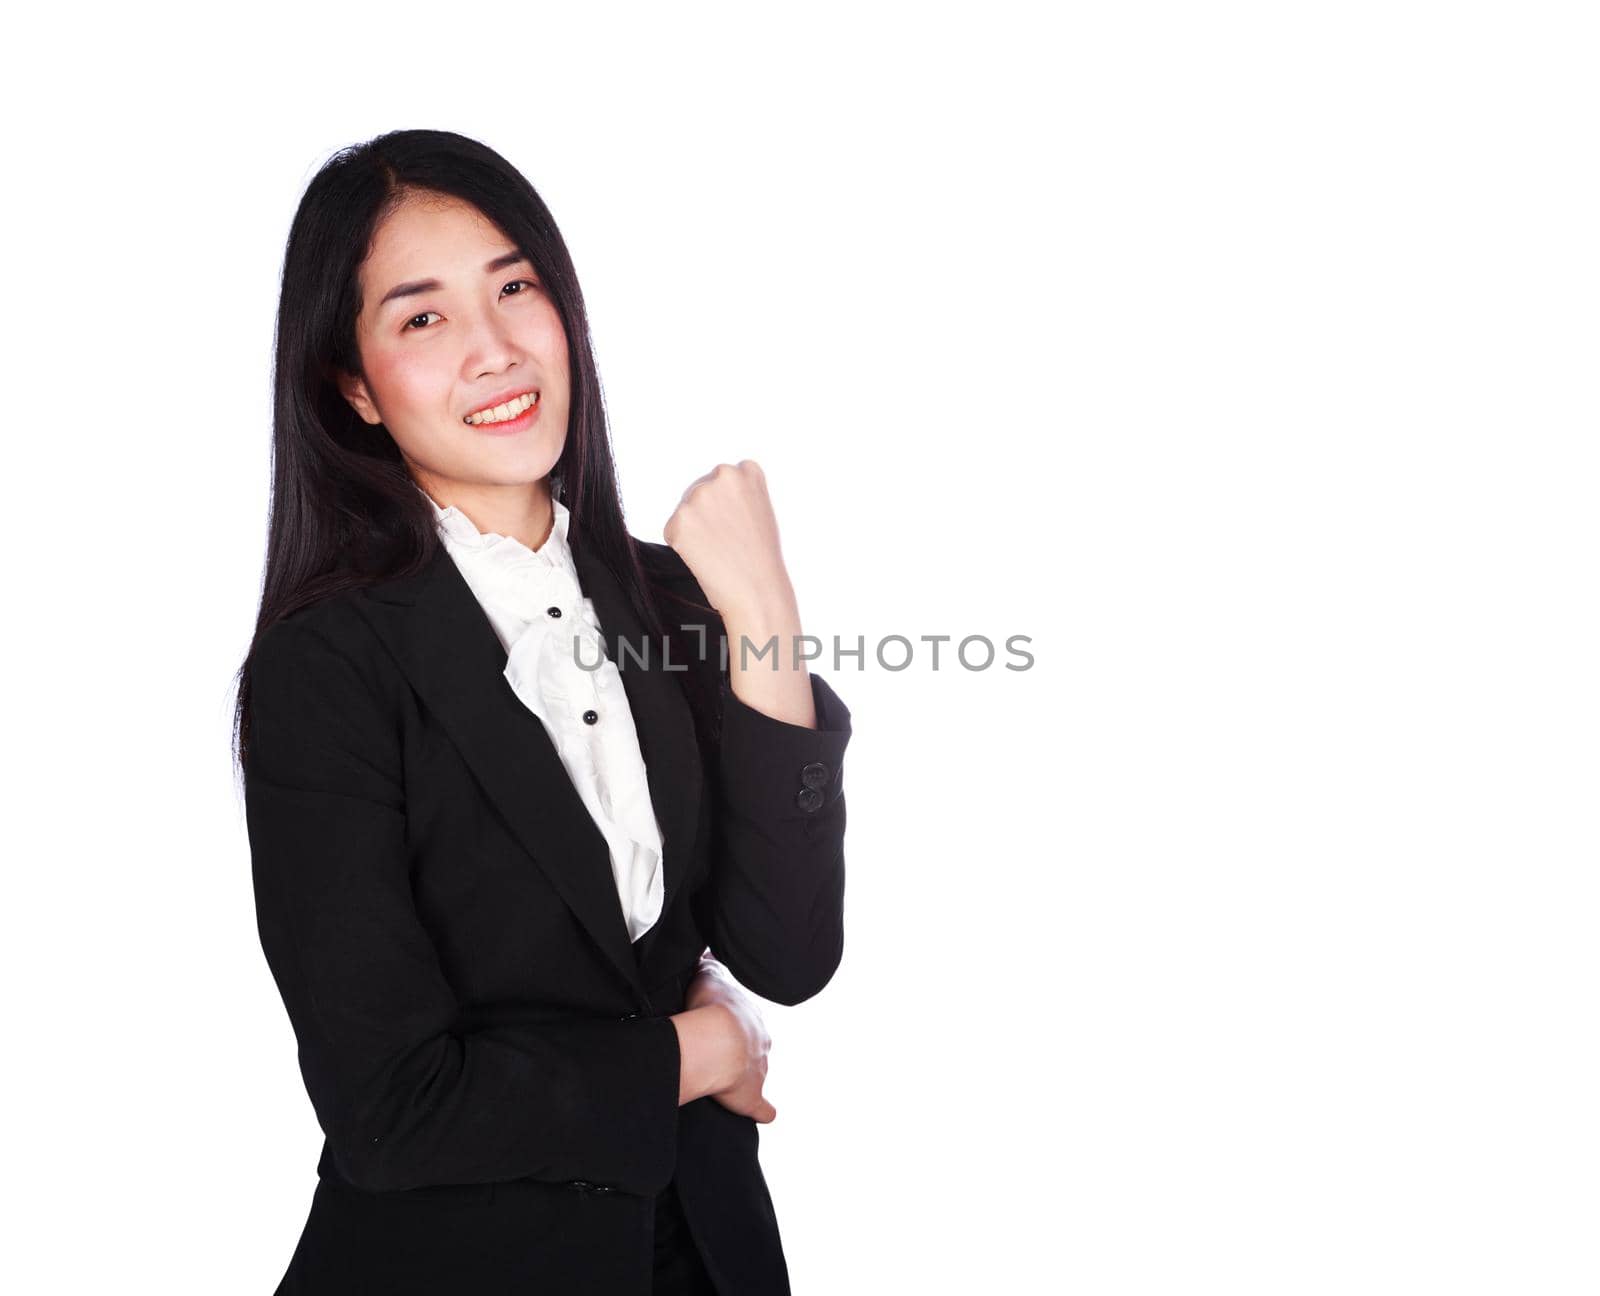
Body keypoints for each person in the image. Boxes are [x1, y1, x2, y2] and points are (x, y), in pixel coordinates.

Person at [231, 129, 853, 1296]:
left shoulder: (673, 593)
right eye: (424, 318)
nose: (496, 349)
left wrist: (763, 613)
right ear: (354, 387)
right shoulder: (329, 667)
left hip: (707, 1249)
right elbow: (393, 1110)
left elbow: (787, 950)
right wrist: (690, 1047)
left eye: (516, 288)